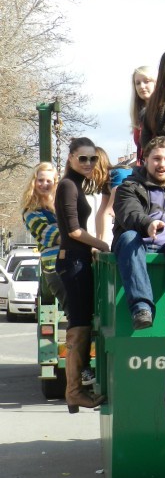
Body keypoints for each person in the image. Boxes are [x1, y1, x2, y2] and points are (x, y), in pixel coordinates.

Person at [113, 136, 165, 330]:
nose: (162, 164)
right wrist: (148, 223)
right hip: (139, 242)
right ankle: (141, 308)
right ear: (146, 160)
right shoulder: (129, 187)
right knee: (128, 236)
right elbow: (129, 212)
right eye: (157, 159)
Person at [54, 138, 109, 413]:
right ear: (71, 158)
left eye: (92, 159)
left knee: (82, 321)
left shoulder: (76, 184)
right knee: (78, 323)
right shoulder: (67, 185)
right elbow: (74, 231)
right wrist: (102, 245)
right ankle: (74, 391)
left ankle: (77, 388)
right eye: (82, 158)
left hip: (78, 260)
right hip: (72, 261)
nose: (88, 163)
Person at [21, 162, 66, 311]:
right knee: (75, 315)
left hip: (72, 262)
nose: (44, 184)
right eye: (40, 180)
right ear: (34, 182)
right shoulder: (31, 212)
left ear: (55, 183)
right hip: (55, 268)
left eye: (48, 181)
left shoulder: (60, 206)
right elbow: (56, 237)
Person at [130, 65, 156, 164]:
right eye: (138, 83)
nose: (142, 86)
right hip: (145, 169)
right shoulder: (138, 114)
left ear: (156, 82)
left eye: (146, 81)